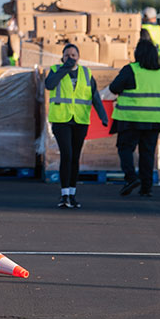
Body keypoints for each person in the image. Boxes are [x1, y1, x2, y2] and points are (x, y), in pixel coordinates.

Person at [44, 43, 109, 209]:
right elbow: (49, 85)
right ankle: (64, 194)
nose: (70, 58)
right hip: (61, 120)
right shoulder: (55, 70)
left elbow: (94, 96)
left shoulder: (86, 73)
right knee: (67, 154)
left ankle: (72, 194)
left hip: (80, 121)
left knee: (75, 157)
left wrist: (103, 116)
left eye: (73, 55)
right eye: (67, 55)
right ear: (62, 57)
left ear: (78, 57)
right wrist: (64, 69)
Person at [108, 39, 160, 197]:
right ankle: (146, 187)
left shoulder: (131, 70)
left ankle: (131, 178)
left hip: (130, 118)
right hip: (153, 120)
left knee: (125, 149)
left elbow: (114, 88)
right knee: (147, 153)